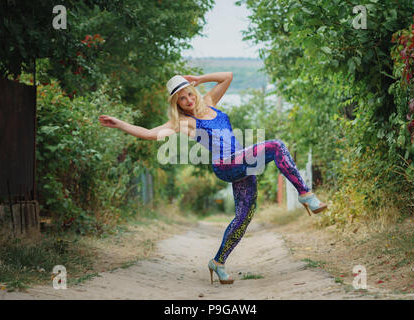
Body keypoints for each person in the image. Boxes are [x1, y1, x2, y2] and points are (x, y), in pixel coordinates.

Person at [98, 72, 328, 285]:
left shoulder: (209, 102)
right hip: (225, 164)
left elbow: (227, 77)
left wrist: (199, 77)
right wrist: (119, 124)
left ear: (194, 91)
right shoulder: (183, 122)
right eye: (182, 99)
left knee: (243, 217)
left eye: (189, 93)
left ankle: (217, 262)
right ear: (176, 104)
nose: (188, 100)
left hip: (240, 162)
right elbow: (149, 133)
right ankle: (306, 195)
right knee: (276, 146)